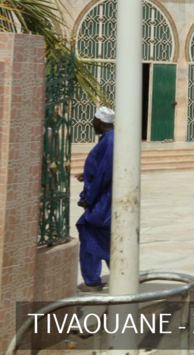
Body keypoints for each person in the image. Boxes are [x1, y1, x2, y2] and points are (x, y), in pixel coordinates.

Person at [76, 106, 115, 291]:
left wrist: (89, 198)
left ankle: (92, 282)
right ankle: (121, 274)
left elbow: (105, 172)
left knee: (89, 234)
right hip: (103, 199)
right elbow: (101, 168)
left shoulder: (110, 140)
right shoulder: (108, 139)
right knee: (103, 238)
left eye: (93, 120)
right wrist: (86, 175)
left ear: (99, 121)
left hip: (102, 202)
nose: (92, 123)